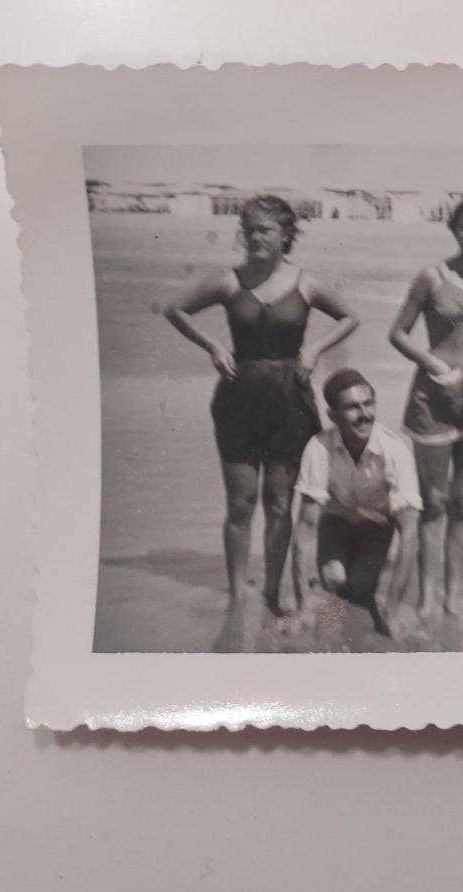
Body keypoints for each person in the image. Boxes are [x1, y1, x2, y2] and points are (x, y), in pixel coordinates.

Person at [163, 195, 358, 642]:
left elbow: (350, 316)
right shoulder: (228, 282)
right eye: (249, 228)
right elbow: (174, 309)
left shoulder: (306, 283)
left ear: (285, 235)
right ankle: (236, 593)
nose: (254, 237)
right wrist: (212, 346)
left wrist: (314, 349)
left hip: (291, 399)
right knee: (240, 503)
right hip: (238, 398)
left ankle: (271, 589)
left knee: (278, 503)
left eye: (265, 229)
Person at [388, 194, 463, 623]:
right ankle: (427, 596)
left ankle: (453, 596)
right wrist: (435, 365)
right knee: (433, 501)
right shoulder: (431, 277)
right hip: (434, 396)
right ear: (454, 229)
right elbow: (397, 333)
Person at [290, 369, 422, 642]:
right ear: (333, 416)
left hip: (377, 526)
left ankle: (367, 569)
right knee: (335, 581)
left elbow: (409, 534)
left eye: (368, 404)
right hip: (336, 522)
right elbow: (305, 528)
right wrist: (303, 605)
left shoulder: (395, 450)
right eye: (352, 407)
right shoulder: (318, 448)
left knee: (361, 591)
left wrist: (392, 611)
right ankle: (325, 587)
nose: (364, 414)